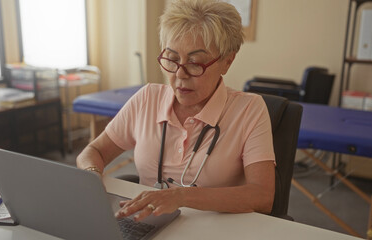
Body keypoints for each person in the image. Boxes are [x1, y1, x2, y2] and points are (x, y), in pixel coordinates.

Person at [76, 0, 275, 222]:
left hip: (215, 230)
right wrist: (91, 175)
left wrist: (181, 196)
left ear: (227, 62)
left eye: (195, 63)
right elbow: (94, 152)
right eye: (171, 59)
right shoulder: (147, 99)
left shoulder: (249, 110)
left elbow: (262, 196)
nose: (180, 74)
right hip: (147, 224)